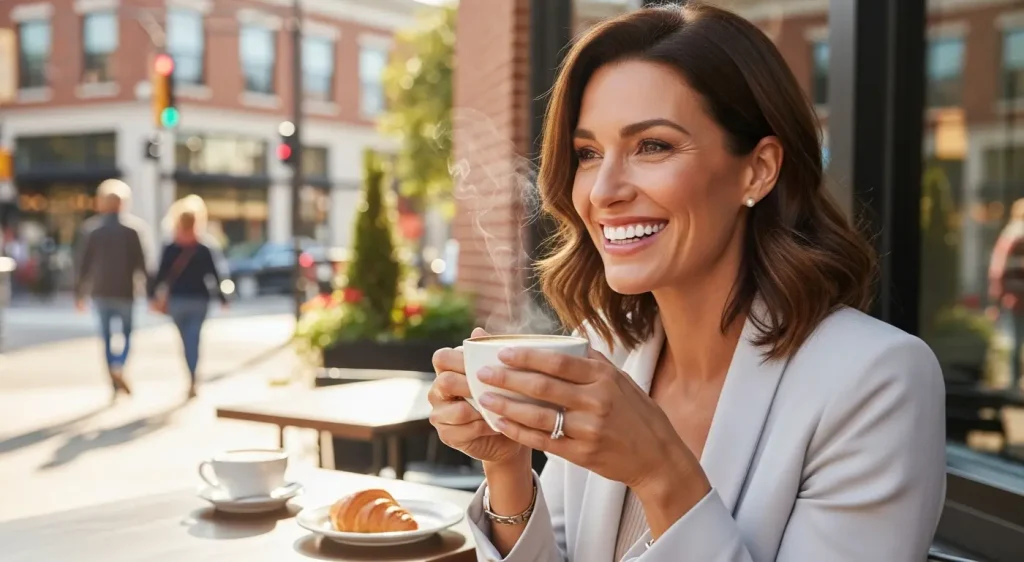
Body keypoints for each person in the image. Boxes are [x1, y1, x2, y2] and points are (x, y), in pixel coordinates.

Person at [427, 4, 945, 561]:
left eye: (653, 146)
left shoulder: (877, 381)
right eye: (588, 153)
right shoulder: (607, 349)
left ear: (759, 169)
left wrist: (659, 471)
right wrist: (507, 464)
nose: (604, 191)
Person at [74, 179, 149, 398]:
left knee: (106, 337)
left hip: (101, 291)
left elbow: (83, 265)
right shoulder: (133, 230)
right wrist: (151, 290)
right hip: (125, 291)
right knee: (126, 335)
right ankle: (119, 364)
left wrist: (79, 293)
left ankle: (113, 378)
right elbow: (142, 264)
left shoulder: (92, 230)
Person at [149, 201, 228, 399]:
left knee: (186, 340)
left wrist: (151, 296)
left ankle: (191, 374)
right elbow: (215, 276)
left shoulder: (171, 247)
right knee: (194, 339)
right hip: (199, 299)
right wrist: (223, 298)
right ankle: (193, 375)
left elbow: (159, 276)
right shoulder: (204, 247)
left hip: (178, 300)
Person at [989, 197, 1024, 390]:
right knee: (1015, 340)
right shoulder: (1017, 237)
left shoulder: (1010, 234)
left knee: (1014, 339)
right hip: (1017, 297)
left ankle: (1012, 382)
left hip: (1013, 296)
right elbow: (1001, 269)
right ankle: (1012, 383)